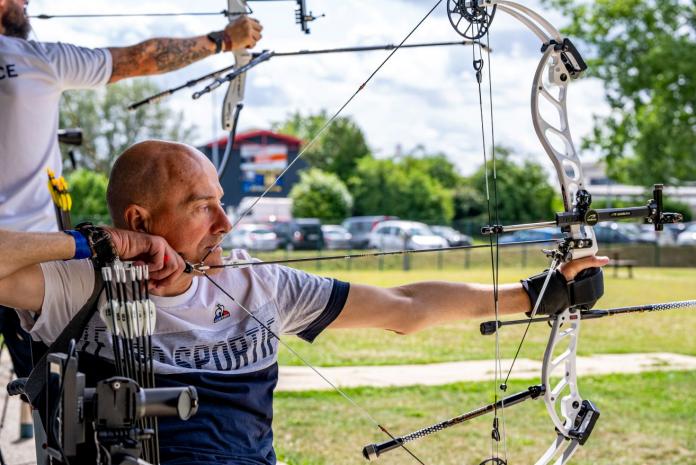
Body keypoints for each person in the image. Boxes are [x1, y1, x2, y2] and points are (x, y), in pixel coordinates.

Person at [0, 140, 609, 465]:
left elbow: (404, 304)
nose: (225, 222)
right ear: (139, 218)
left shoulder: (262, 286)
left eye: (220, 200)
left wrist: (533, 295)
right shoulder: (79, 285)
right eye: (201, 207)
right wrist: (94, 244)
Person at [0, 0, 262, 440]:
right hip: (32, 268)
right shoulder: (35, 59)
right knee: (56, 415)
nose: (26, 2)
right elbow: (139, 58)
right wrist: (224, 40)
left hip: (31, 265)